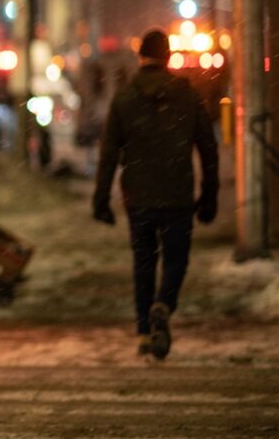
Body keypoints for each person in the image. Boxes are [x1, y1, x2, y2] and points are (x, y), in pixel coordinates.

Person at [92, 29, 219, 359]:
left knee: (143, 261)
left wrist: (101, 198)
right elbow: (208, 148)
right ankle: (163, 303)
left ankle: (144, 334)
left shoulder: (124, 98)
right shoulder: (188, 96)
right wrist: (210, 195)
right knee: (176, 258)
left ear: (140, 58)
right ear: (168, 57)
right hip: (177, 193)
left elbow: (109, 153)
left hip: (140, 196)